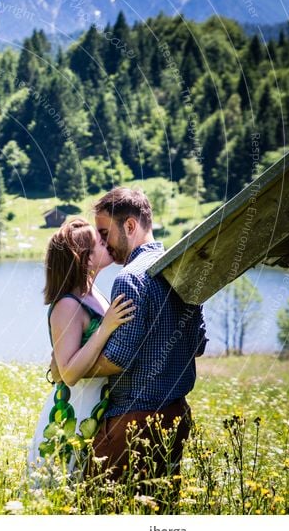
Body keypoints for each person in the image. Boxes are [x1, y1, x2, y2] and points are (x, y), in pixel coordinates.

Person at [55, 188, 208, 507]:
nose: (103, 242)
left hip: (133, 422)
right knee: (158, 512)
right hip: (176, 415)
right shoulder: (183, 267)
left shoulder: (130, 279)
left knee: (95, 507)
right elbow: (198, 345)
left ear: (129, 226)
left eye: (104, 232)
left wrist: (69, 368)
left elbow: (117, 359)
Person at [27, 217, 134, 486]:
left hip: (94, 408)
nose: (107, 242)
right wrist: (106, 327)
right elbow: (70, 373)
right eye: (100, 241)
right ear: (84, 259)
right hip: (70, 415)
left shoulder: (93, 293)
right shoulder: (67, 305)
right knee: (54, 491)